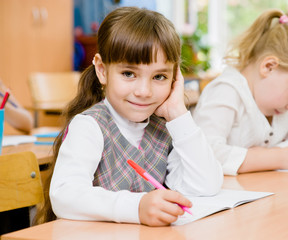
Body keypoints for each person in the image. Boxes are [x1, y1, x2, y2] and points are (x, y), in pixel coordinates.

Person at [35, 7, 223, 226]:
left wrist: (178, 114)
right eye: (128, 74)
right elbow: (65, 195)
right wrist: (136, 207)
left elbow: (206, 185)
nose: (144, 91)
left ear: (175, 78)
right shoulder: (90, 126)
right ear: (102, 70)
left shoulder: (164, 128)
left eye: (160, 76)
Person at [192, 10, 288, 175]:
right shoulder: (226, 92)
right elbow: (202, 155)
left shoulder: (284, 108)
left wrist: (280, 153)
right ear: (269, 67)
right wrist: (277, 158)